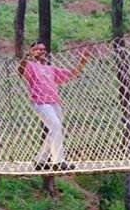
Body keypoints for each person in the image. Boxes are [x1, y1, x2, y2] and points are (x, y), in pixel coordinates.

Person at [18, 41, 89, 171]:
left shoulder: (51, 69)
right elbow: (21, 70)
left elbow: (71, 74)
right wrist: (26, 57)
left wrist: (83, 61)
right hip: (40, 102)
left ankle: (40, 160)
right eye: (38, 49)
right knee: (55, 126)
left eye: (43, 49)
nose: (42, 51)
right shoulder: (31, 65)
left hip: (54, 102)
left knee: (55, 129)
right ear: (32, 51)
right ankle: (58, 161)